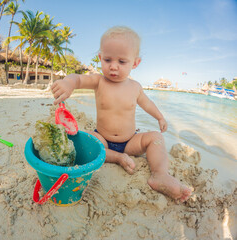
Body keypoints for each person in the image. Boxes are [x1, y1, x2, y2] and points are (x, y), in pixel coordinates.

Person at [51, 26, 192, 202]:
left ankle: (160, 174)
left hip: (130, 142)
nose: (113, 67)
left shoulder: (135, 87)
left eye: (122, 62)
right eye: (108, 60)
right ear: (100, 58)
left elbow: (147, 104)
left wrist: (160, 117)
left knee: (156, 138)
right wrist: (68, 83)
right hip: (102, 138)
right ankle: (117, 158)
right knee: (81, 137)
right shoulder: (99, 81)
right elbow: (78, 78)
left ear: (135, 63)